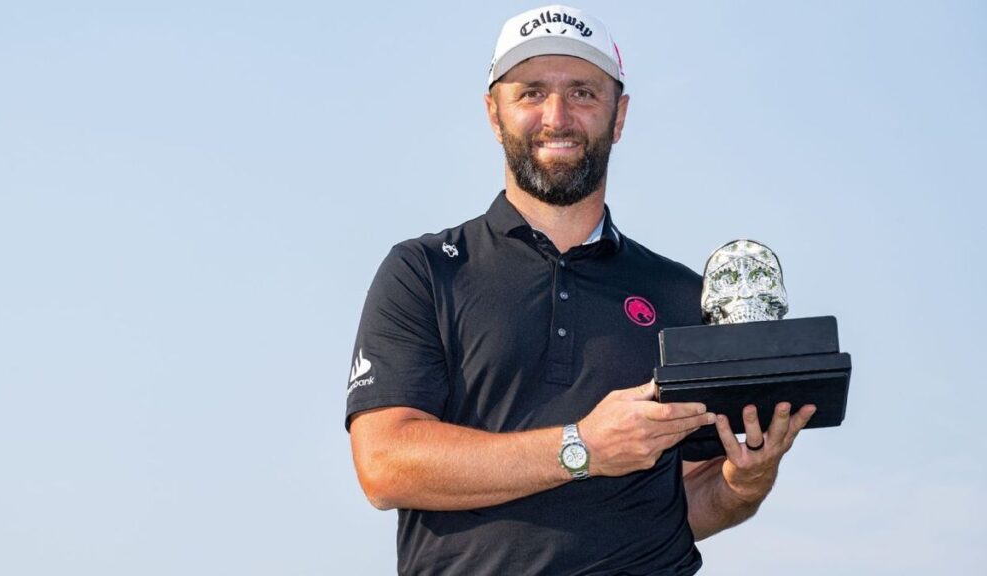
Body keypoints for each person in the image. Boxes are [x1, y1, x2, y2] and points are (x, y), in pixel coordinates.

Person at [344, 5, 815, 575]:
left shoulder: (682, 296)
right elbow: (386, 464)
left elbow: (690, 504)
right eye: (532, 93)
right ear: (494, 114)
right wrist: (583, 447)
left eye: (584, 94)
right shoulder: (425, 271)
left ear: (618, 117)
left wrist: (745, 481)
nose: (558, 116)